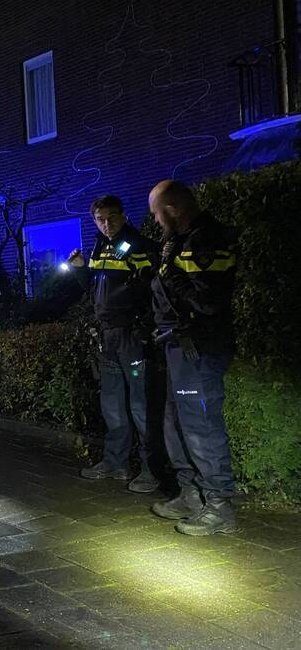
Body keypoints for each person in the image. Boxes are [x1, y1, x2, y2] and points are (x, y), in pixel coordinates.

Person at [147, 180, 239, 536]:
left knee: (201, 426)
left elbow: (209, 302)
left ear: (173, 208)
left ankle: (219, 506)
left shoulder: (206, 240)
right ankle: (191, 493)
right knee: (175, 422)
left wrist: (173, 279)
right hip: (178, 349)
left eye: (156, 212)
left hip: (198, 349)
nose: (154, 220)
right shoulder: (181, 240)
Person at [68, 195, 161, 492]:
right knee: (113, 406)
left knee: (140, 406)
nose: (106, 224)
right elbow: (95, 287)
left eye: (111, 217)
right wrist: (82, 269)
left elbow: (156, 291)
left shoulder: (138, 245)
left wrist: (144, 328)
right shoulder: (100, 245)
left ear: (123, 215)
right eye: (100, 219)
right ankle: (115, 463)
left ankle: (152, 470)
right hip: (108, 335)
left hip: (131, 336)